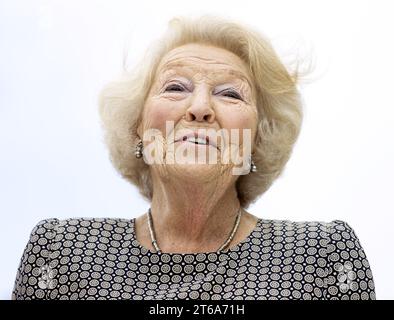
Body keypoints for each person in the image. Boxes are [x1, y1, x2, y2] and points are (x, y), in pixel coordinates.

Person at [12, 15, 376, 300]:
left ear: (255, 141)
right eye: (175, 87)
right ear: (138, 127)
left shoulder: (322, 257)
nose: (200, 108)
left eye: (230, 94)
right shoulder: (61, 253)